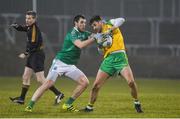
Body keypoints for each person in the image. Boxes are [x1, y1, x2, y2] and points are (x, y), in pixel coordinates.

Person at [25, 14, 96, 112]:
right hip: (59, 63)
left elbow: (94, 35)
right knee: (47, 84)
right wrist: (94, 38)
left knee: (84, 83)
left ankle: (67, 104)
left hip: (70, 65)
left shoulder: (84, 33)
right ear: (76, 23)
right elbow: (80, 45)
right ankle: (30, 106)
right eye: (81, 22)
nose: (84, 24)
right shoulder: (73, 33)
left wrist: (102, 35)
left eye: (84, 22)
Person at [83, 15, 143, 113]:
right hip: (108, 60)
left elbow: (122, 19)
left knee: (131, 82)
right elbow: (102, 52)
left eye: (95, 25)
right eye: (92, 27)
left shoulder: (110, 23)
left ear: (100, 22)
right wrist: (100, 45)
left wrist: (110, 30)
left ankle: (137, 102)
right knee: (96, 86)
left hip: (120, 57)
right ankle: (89, 107)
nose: (94, 28)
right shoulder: (99, 35)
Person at [9, 11, 64, 105]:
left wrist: (26, 53)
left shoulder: (34, 29)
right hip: (33, 54)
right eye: (26, 18)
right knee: (26, 76)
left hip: (37, 55)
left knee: (41, 79)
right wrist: (17, 26)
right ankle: (21, 99)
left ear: (34, 19)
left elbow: (33, 44)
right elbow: (24, 28)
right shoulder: (30, 27)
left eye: (30, 18)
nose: (27, 20)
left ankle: (58, 93)